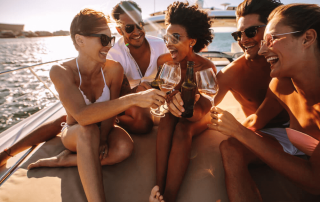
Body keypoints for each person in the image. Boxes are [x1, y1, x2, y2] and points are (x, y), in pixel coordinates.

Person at [25, 8, 166, 202]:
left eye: (110, 39)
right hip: (75, 132)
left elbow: (110, 113)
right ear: (80, 40)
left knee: (125, 146)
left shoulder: (113, 70)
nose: (109, 46)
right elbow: (82, 117)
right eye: (103, 39)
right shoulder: (61, 71)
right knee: (88, 130)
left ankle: (66, 160)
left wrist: (105, 137)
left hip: (103, 131)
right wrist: (133, 99)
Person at [209, 3, 320, 202]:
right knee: (231, 147)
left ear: (308, 38)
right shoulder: (280, 86)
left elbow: (315, 182)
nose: (262, 51)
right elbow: (257, 120)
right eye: (264, 41)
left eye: (273, 39)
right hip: (303, 143)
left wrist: (240, 132)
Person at [149, 2, 215, 202]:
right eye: (166, 37)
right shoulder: (164, 62)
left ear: (192, 41)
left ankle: (169, 198)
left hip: (200, 114)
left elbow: (205, 106)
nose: (169, 43)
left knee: (183, 128)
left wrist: (187, 109)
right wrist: (166, 98)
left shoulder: (206, 67)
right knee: (168, 120)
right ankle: (158, 188)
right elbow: (158, 88)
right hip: (173, 112)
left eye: (175, 38)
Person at [107, 1, 168, 134]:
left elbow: (170, 77)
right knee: (143, 124)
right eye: (129, 28)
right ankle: (108, 119)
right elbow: (114, 96)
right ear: (119, 30)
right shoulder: (113, 55)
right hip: (128, 101)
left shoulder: (161, 46)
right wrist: (135, 92)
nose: (137, 31)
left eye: (140, 24)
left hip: (158, 99)